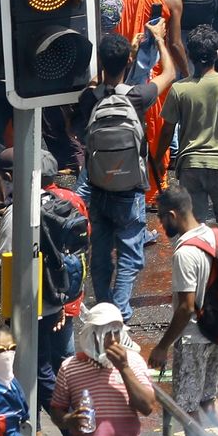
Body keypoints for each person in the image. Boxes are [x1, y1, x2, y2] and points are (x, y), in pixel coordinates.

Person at [82, 30, 173, 320]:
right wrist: (158, 39)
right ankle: (120, 309)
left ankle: (104, 307)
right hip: (130, 187)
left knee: (100, 252)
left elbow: (74, 129)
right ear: (129, 60)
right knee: (130, 253)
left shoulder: (89, 98)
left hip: (97, 187)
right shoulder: (136, 96)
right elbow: (170, 72)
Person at [149, 186, 218, 436]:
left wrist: (162, 346)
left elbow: (186, 308)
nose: (161, 224)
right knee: (208, 398)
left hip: (192, 339)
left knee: (186, 409)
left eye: (161, 218)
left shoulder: (184, 254)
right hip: (217, 332)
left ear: (172, 215)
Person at [159, 24, 218, 238]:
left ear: (189, 55)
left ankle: (200, 266)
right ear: (217, 54)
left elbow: (167, 131)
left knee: (197, 222)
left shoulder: (179, 89)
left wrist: (157, 159)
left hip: (191, 165)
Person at [49, 305, 157, 436]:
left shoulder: (133, 361)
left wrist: (124, 368)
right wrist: (69, 420)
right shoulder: (70, 367)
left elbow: (147, 407)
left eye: (116, 333)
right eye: (105, 334)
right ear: (92, 335)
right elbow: (56, 411)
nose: (113, 340)